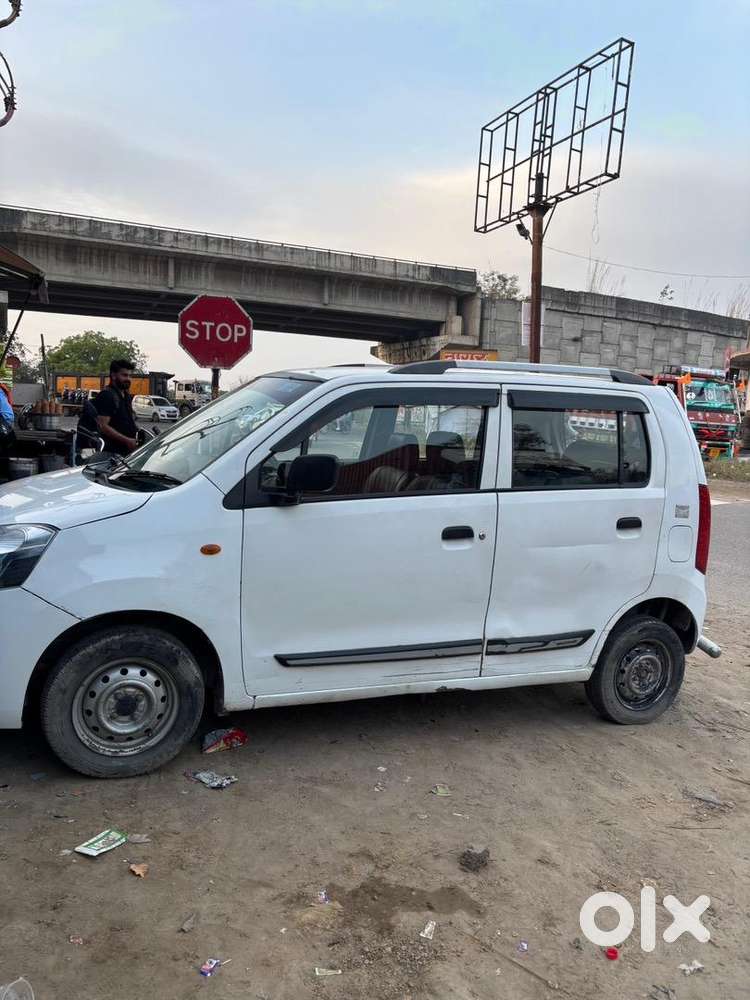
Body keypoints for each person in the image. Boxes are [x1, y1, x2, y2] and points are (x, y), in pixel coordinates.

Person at [94, 359, 138, 456]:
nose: (128, 379)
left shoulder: (125, 395)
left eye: (130, 376)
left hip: (126, 453)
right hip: (111, 454)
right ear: (113, 376)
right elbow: (102, 426)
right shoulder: (107, 395)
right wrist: (127, 441)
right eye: (124, 375)